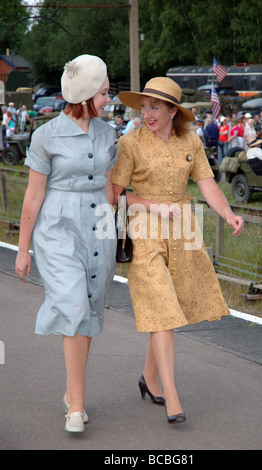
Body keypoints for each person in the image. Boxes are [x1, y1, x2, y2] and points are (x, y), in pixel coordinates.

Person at [111, 77, 243, 425]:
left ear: (173, 110)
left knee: (170, 309)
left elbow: (207, 183)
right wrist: (153, 205)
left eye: (155, 107)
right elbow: (115, 195)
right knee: (162, 306)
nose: (147, 113)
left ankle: (148, 378)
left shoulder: (191, 141)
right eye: (144, 106)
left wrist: (228, 214)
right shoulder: (129, 143)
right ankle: (172, 396)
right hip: (143, 230)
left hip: (184, 230)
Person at [15, 54, 117, 433]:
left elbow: (109, 189)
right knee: (74, 303)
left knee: (88, 306)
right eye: (105, 93)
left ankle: (72, 392)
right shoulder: (46, 136)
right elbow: (33, 196)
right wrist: (23, 249)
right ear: (87, 92)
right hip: (58, 227)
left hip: (99, 226)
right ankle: (76, 406)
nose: (110, 99)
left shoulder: (109, 133)